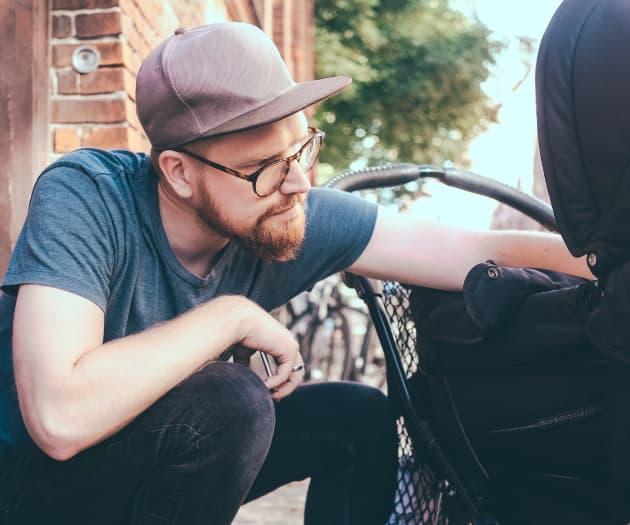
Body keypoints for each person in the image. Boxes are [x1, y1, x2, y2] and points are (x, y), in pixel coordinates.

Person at [0, 22, 592, 525]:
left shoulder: (285, 210)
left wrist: (605, 255)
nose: (298, 183)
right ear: (179, 172)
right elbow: (60, 417)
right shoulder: (87, 195)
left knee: (356, 414)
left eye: (302, 148)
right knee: (234, 400)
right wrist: (229, 315)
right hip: (31, 485)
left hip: (149, 456)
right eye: (263, 167)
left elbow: (475, 249)